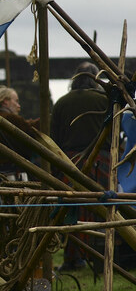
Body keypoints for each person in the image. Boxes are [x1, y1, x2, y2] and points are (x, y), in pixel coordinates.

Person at [51, 61, 109, 271]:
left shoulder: (62, 103)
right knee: (100, 208)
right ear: (96, 79)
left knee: (74, 209)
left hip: (70, 161)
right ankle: (102, 257)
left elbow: (53, 139)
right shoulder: (105, 100)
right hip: (102, 161)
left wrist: (55, 168)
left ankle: (74, 258)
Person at [0, 85, 39, 180]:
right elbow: (29, 131)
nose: (18, 106)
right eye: (16, 101)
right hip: (13, 173)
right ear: (5, 102)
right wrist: (44, 120)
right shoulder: (11, 119)